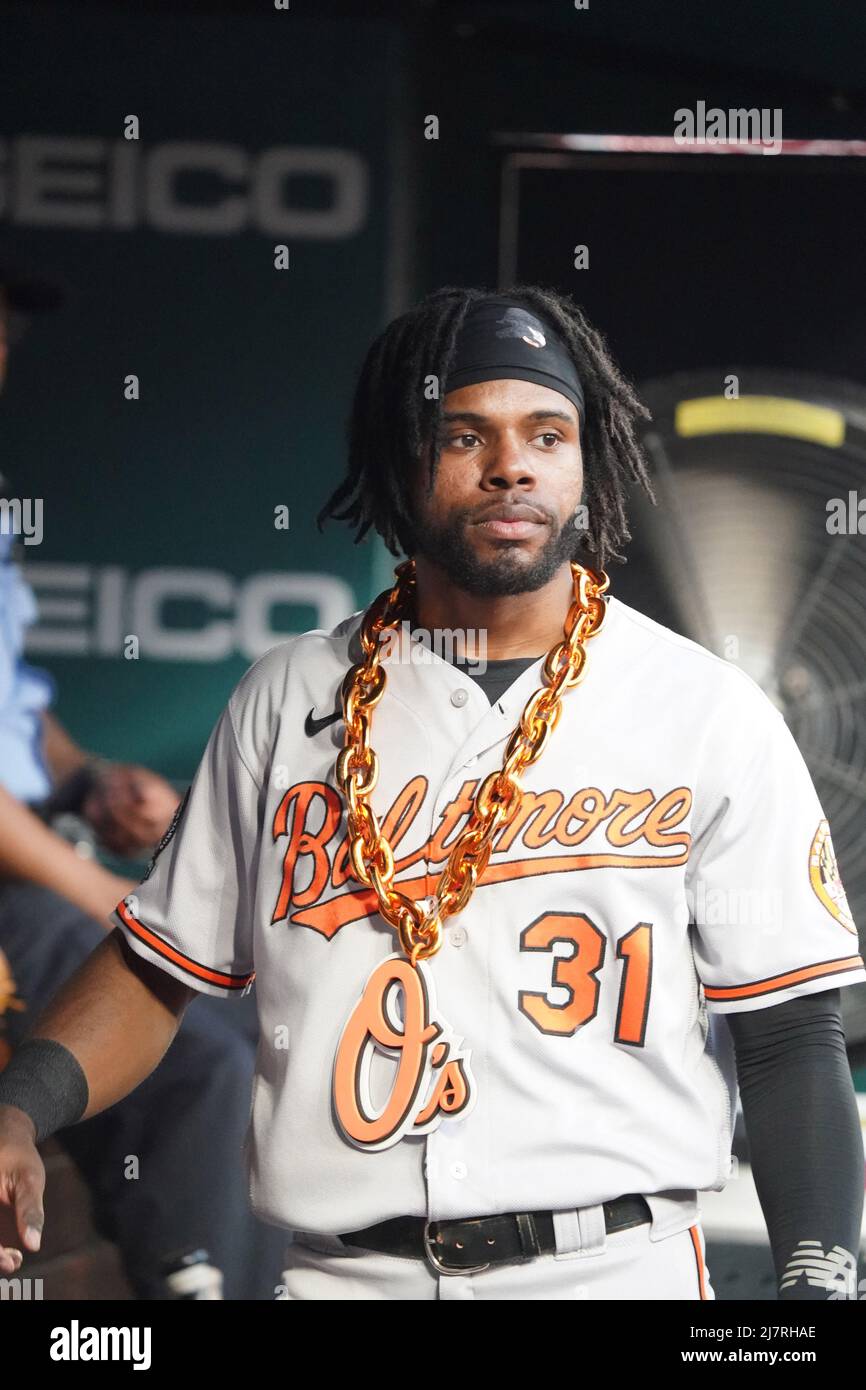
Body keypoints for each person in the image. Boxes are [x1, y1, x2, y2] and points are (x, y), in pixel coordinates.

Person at [1, 284, 864, 1302]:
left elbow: (786, 1034)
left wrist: (816, 1278)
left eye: (547, 433)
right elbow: (158, 967)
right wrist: (21, 1105)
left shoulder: (706, 711)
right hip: (341, 1277)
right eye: (466, 435)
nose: (513, 465)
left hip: (610, 1275)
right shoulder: (286, 700)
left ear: (584, 462)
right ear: (400, 461)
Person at [0, 265, 288, 1298]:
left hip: (36, 855)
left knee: (267, 1026)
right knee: (199, 1066)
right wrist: (121, 906)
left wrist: (87, 784)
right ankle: (188, 1281)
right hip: (8, 895)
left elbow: (18, 715)